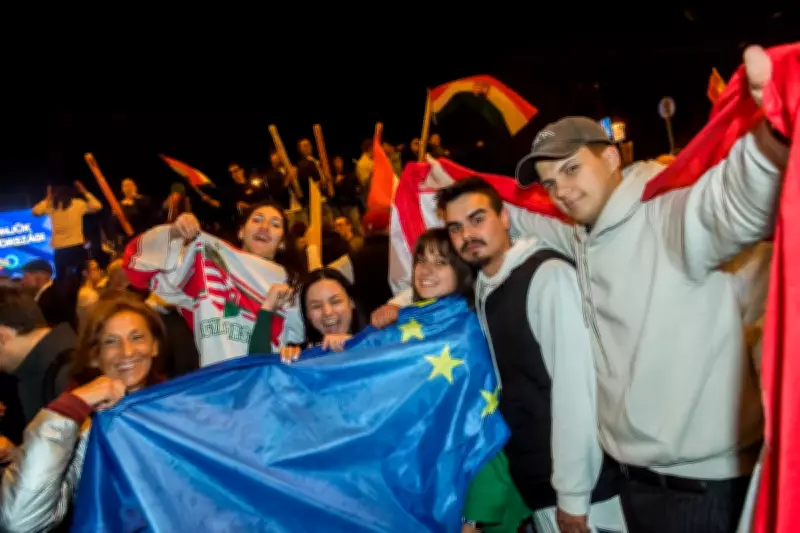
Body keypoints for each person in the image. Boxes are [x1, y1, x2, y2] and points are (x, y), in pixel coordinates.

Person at [424, 46, 786, 533]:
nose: (561, 190)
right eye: (550, 182)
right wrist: (454, 180)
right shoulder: (583, 236)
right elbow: (520, 220)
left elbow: (734, 201)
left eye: (572, 168)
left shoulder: (668, 215)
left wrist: (774, 136)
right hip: (637, 484)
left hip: (700, 488)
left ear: (612, 156)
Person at [437, 177, 622, 533]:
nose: (467, 235)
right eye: (456, 228)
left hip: (585, 497)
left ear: (505, 217)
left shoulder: (547, 276)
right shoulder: (486, 288)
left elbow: (576, 388)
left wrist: (573, 494)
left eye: (478, 219)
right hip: (539, 486)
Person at [0, 296, 166, 533]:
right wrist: (72, 406)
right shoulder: (85, 432)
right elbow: (21, 520)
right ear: (94, 357)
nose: (127, 351)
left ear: (155, 346)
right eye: (111, 342)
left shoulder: (182, 411)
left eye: (137, 337)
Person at [32, 182, 102, 284]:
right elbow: (97, 206)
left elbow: (35, 211)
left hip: (60, 249)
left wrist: (47, 198)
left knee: (62, 279)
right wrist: (85, 192)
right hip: (76, 246)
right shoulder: (78, 203)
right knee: (80, 279)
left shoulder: (52, 205)